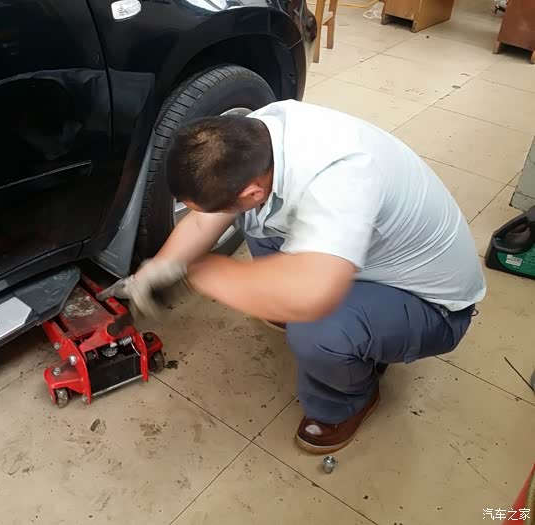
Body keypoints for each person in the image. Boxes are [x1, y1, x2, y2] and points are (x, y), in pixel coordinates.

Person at [98, 100, 486, 454]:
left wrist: (202, 273)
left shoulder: (342, 180)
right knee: (257, 220)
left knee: (316, 327)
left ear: (252, 190)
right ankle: (331, 320)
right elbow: (206, 219)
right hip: (367, 256)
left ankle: (351, 400)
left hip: (429, 302)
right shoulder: (254, 138)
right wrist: (160, 268)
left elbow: (312, 294)